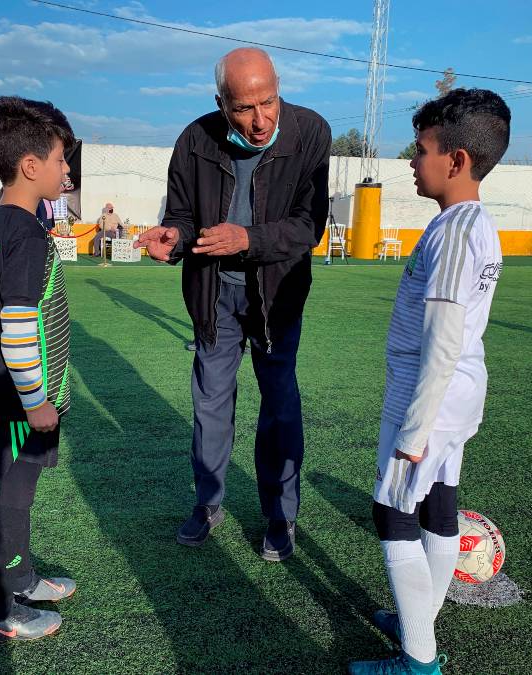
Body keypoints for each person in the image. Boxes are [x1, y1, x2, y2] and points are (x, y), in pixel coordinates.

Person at [137, 48, 331, 561]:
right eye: (244, 107)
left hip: (278, 295)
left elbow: (308, 227)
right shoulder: (194, 139)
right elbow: (181, 216)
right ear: (221, 101)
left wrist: (246, 239)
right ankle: (207, 504)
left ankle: (280, 516)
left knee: (280, 404)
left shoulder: (311, 132)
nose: (260, 119)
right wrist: (171, 240)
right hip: (213, 295)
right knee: (210, 403)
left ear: (278, 89)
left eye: (268, 102)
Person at [349, 89, 511, 675]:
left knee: (393, 515)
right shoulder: (471, 223)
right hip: (456, 392)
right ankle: (423, 619)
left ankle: (418, 661)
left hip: (429, 396)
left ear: (458, 159)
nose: (412, 162)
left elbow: (442, 336)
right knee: (440, 505)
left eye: (420, 150)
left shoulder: (454, 233)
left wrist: (415, 428)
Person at [0, 95, 77, 643]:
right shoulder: (27, 235)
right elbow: (17, 325)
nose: (67, 170)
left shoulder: (3, 220)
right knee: (13, 499)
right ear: (30, 165)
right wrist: (37, 399)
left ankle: (21, 577)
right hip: (23, 399)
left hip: (16, 393)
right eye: (62, 160)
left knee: (20, 493)